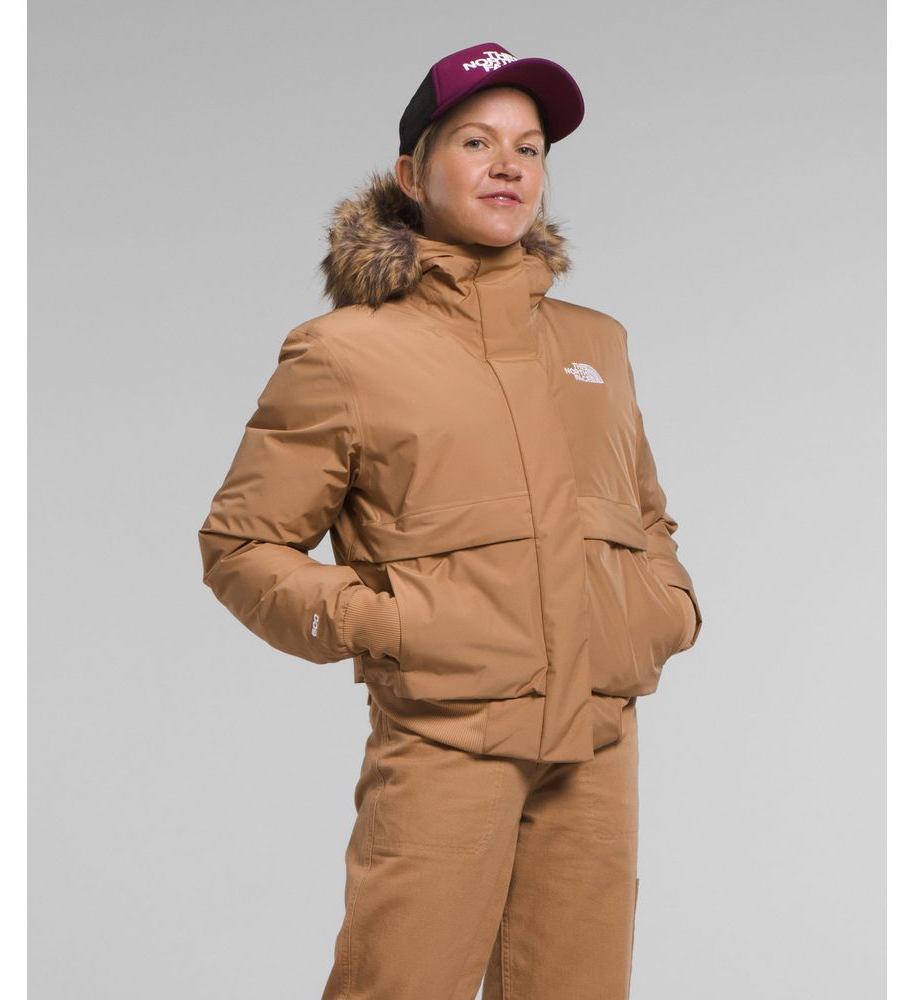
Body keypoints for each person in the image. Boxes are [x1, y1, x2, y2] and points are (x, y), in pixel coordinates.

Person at [198, 40, 703, 1000]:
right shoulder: (344, 352)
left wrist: (662, 608)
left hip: (599, 742)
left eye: (530, 147)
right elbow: (240, 547)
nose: (509, 165)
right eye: (476, 141)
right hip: (446, 739)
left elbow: (644, 515)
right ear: (411, 172)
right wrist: (392, 624)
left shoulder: (597, 343)